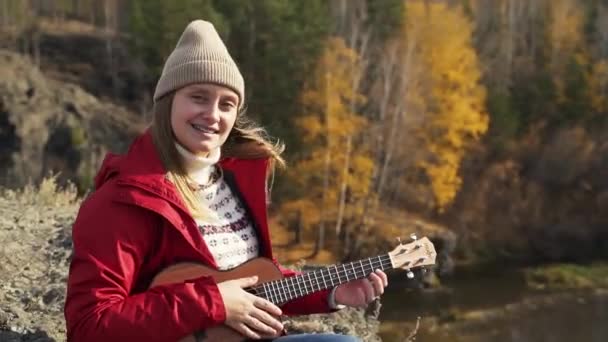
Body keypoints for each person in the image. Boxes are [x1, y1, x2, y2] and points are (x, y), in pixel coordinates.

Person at [64, 20, 388, 342]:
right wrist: (214, 303)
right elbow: (90, 326)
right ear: (167, 103)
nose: (214, 114)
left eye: (226, 103)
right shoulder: (123, 200)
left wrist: (331, 293)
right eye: (199, 97)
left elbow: (251, 285)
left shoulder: (230, 185)